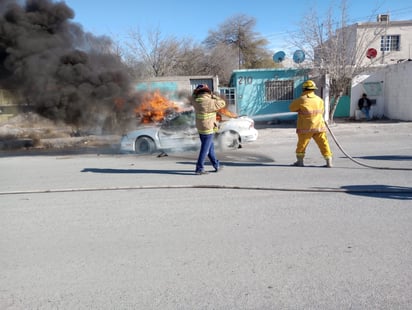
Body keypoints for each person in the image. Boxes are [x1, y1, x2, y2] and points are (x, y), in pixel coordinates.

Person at [289, 80, 333, 168]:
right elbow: (322, 111)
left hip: (306, 128)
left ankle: (300, 162)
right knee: (324, 144)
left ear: (304, 89)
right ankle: (329, 162)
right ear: (313, 89)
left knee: (302, 145)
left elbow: (292, 108)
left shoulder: (301, 100)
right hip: (319, 126)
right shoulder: (319, 100)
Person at [192, 84, 226, 175]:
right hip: (208, 129)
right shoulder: (211, 102)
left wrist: (195, 93)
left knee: (209, 147)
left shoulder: (195, 101)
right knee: (205, 149)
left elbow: (193, 96)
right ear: (208, 92)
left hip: (200, 128)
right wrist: (213, 95)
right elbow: (222, 103)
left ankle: (216, 165)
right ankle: (199, 168)